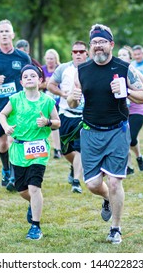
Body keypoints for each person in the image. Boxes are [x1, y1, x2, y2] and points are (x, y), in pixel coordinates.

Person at [67, 24, 143, 244]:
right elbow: (72, 101)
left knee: (114, 182)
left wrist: (127, 91)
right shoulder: (82, 70)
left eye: (102, 42)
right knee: (93, 184)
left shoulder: (124, 68)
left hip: (117, 131)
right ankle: (106, 199)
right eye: (94, 43)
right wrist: (73, 98)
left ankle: (116, 228)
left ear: (111, 44)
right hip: (91, 132)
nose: (98, 46)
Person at [0, 64, 60, 240]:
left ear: (40, 80)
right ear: (21, 82)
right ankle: (33, 205)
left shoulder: (47, 101)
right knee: (22, 189)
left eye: (33, 76)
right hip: (18, 149)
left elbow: (57, 122)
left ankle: (35, 226)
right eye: (25, 77)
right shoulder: (15, 99)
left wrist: (47, 122)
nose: (29, 79)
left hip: (39, 149)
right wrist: (6, 127)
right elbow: (2, 115)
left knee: (34, 187)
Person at [0, 20, 31, 192]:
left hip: (18, 105)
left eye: (7, 31)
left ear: (12, 35)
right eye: (1, 31)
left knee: (14, 139)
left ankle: (14, 175)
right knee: (3, 142)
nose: (4, 34)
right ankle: (6, 168)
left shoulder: (23, 57)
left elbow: (30, 77)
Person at [47, 41, 88, 194]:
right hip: (65, 113)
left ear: (87, 53)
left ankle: (76, 181)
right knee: (66, 151)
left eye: (81, 51)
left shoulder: (92, 68)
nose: (78, 54)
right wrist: (62, 94)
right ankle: (74, 167)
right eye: (75, 51)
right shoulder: (64, 68)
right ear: (71, 53)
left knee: (79, 149)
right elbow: (51, 84)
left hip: (85, 116)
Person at [118, 46, 143, 175]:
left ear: (130, 58)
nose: (121, 57)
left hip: (136, 110)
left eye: (124, 55)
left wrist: (131, 93)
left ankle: (139, 156)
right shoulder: (115, 72)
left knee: (131, 138)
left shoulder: (135, 72)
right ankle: (129, 166)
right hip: (121, 111)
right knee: (123, 138)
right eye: (119, 55)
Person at [42, 49, 62, 159]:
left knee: (59, 125)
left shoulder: (60, 69)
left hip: (60, 101)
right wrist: (47, 84)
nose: (50, 61)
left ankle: (60, 148)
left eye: (52, 58)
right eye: (48, 58)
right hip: (46, 102)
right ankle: (56, 149)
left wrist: (53, 83)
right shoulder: (42, 69)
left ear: (56, 59)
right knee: (51, 125)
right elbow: (38, 85)